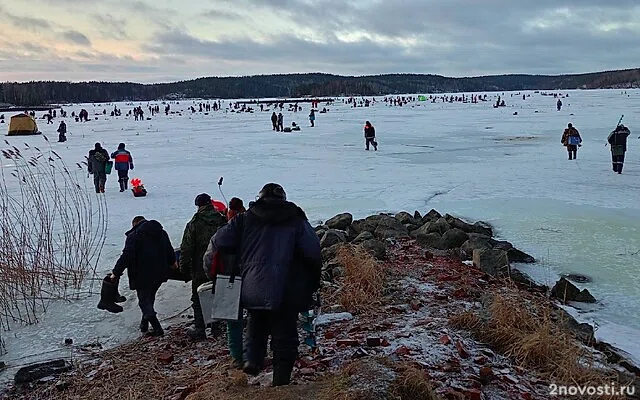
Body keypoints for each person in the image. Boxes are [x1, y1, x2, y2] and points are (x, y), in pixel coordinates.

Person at [203, 183, 322, 386]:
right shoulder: (296, 218)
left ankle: (252, 360)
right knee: (285, 332)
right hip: (287, 288)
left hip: (252, 285)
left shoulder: (245, 218)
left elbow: (217, 243)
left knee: (256, 320)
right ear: (283, 198)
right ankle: (281, 377)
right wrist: (312, 283)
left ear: (260, 197)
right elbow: (313, 252)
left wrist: (212, 272)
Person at [111, 216, 177, 337]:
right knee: (149, 298)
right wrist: (173, 263)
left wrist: (116, 272)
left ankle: (157, 328)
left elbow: (126, 256)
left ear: (135, 224)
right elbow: (169, 250)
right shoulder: (161, 232)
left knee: (143, 302)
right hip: (159, 273)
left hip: (142, 275)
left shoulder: (134, 236)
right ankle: (144, 325)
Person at [179, 193, 227, 340]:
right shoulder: (222, 220)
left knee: (198, 297)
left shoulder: (194, 223)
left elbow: (186, 248)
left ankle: (200, 328)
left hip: (200, 266)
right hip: (221, 265)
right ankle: (216, 327)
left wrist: (184, 268)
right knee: (217, 295)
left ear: (199, 206)